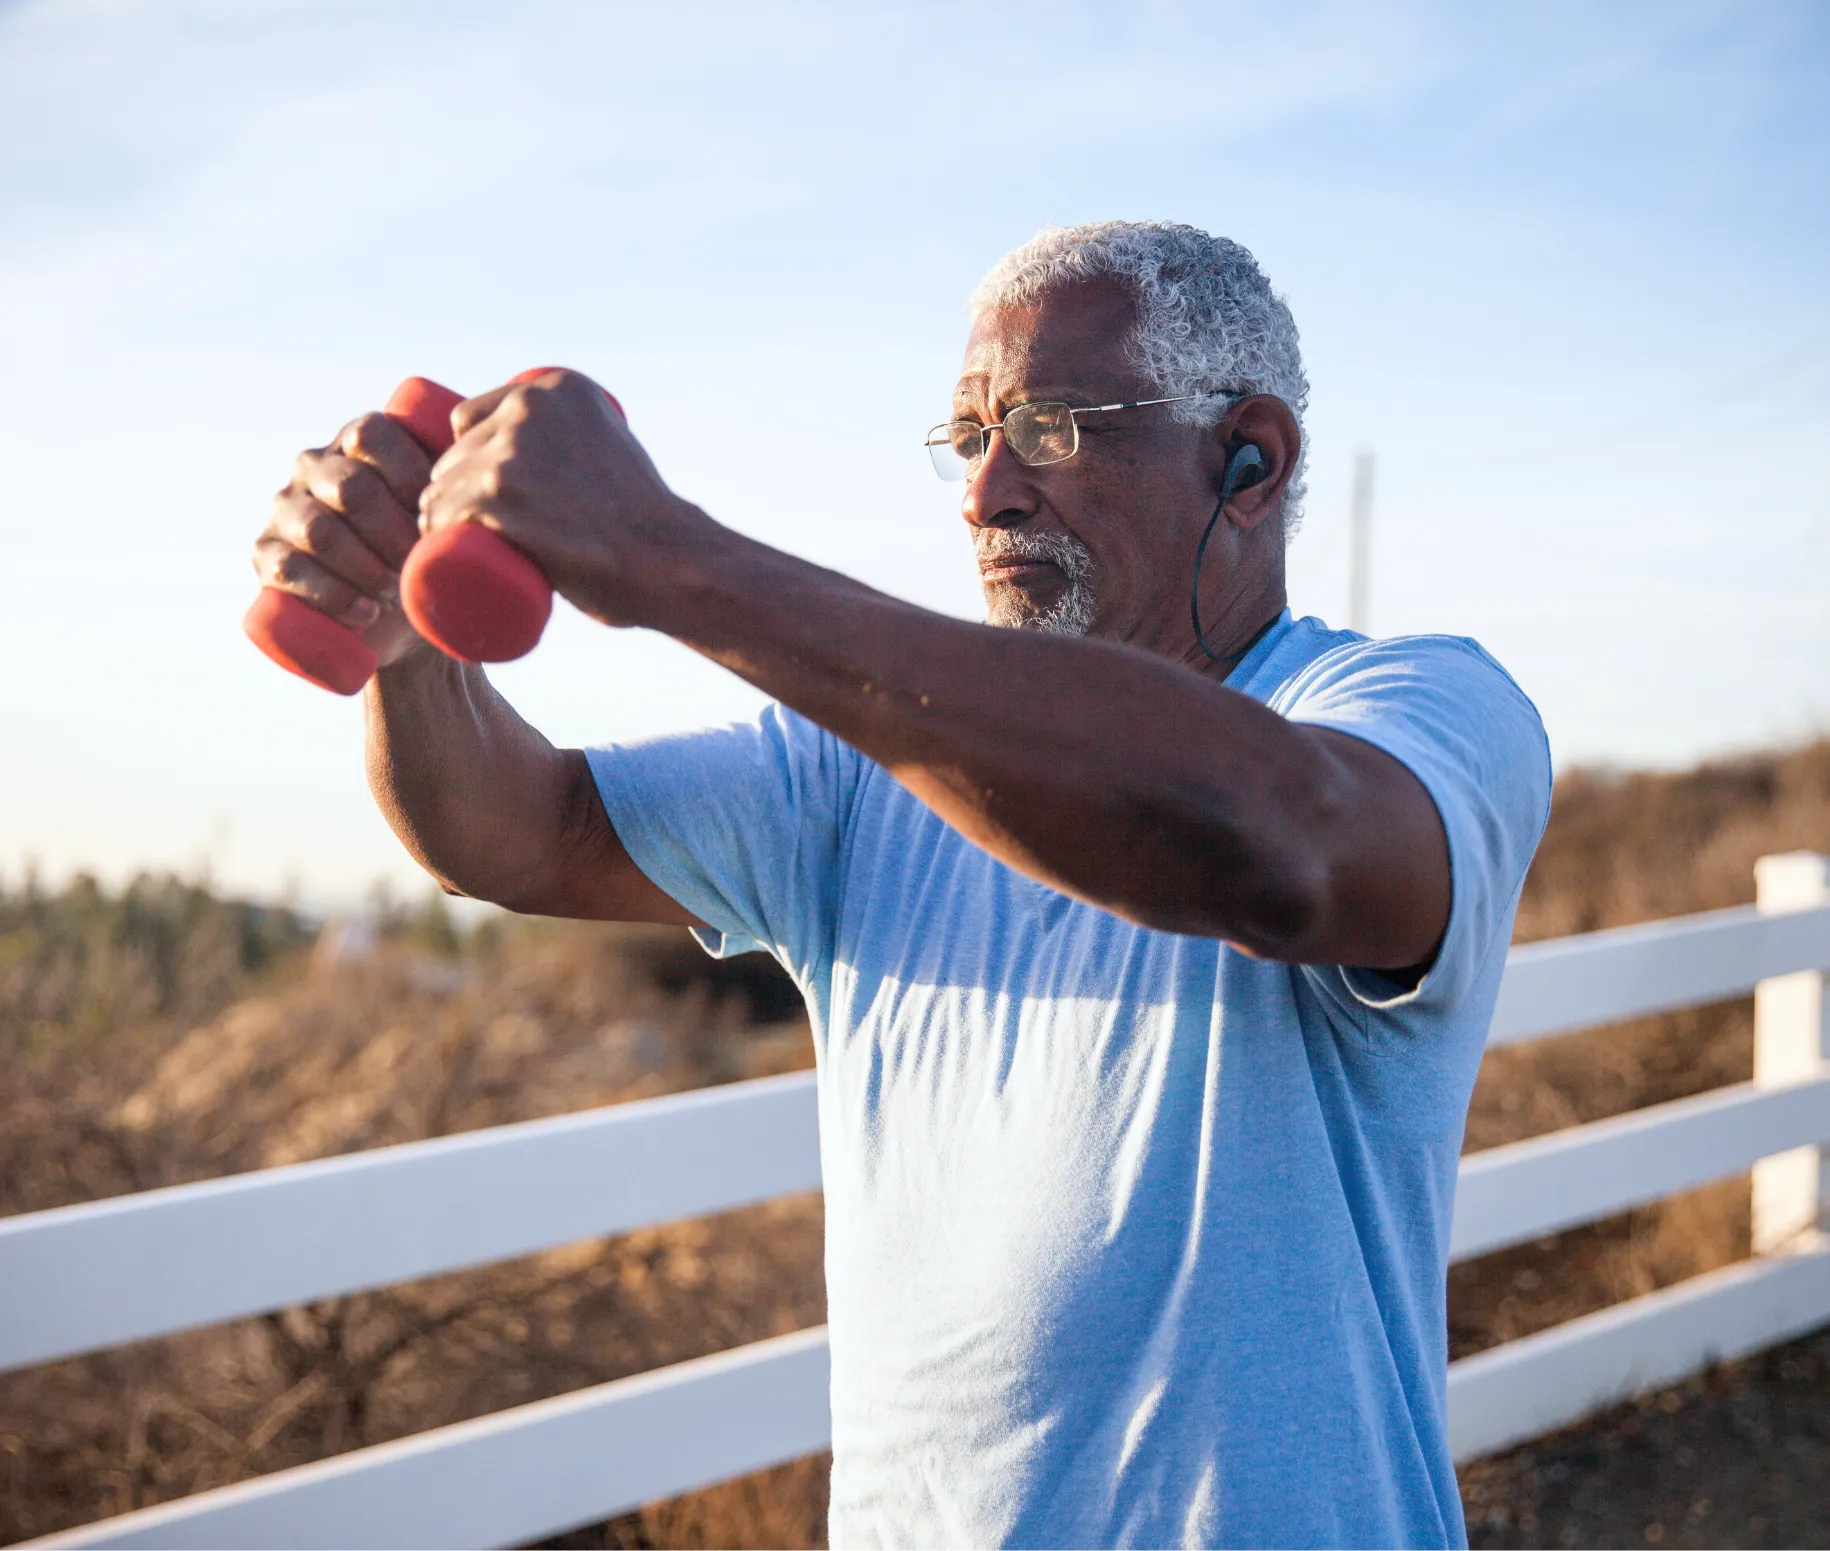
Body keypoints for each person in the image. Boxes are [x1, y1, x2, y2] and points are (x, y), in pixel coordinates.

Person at [253, 221, 1551, 1549]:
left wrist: (671, 558)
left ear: (1248, 459)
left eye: (1051, 427)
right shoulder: (860, 772)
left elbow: (1271, 842)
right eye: (969, 438)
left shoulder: (1417, 710)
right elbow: (519, 831)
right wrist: (410, 659)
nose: (986, 493)